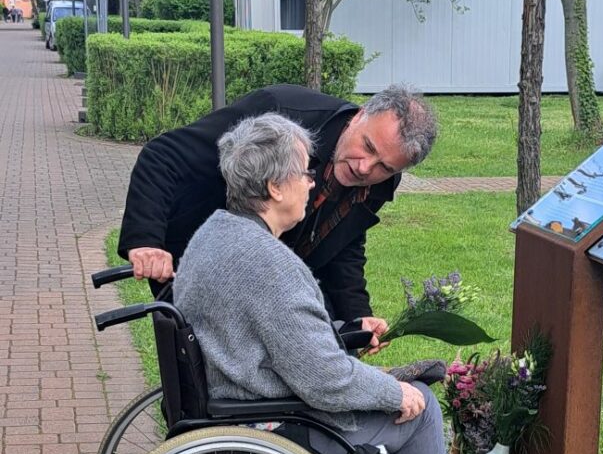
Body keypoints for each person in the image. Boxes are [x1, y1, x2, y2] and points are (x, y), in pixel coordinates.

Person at [173, 113, 537, 454]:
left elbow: (289, 342)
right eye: (304, 173)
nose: (310, 182)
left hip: (229, 406)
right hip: (270, 432)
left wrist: (348, 339)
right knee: (421, 408)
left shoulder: (215, 234)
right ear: (276, 187)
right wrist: (392, 391)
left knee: (407, 396)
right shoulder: (269, 266)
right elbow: (322, 380)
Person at [119, 83, 437, 336]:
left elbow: (344, 243)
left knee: (329, 342)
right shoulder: (282, 113)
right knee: (204, 375)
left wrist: (357, 315)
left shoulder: (377, 183)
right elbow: (163, 156)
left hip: (267, 272)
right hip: (194, 252)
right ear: (359, 115)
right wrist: (146, 241)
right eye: (367, 147)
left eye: (385, 166)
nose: (365, 168)